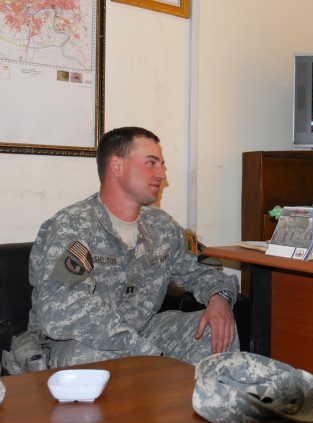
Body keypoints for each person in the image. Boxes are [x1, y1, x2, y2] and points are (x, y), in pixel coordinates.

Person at [7, 126, 239, 372]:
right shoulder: (73, 226)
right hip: (75, 343)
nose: (162, 175)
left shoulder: (162, 226)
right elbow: (62, 311)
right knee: (87, 358)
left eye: (162, 165)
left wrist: (220, 301)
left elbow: (205, 269)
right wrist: (143, 352)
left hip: (143, 333)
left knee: (217, 328)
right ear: (117, 167)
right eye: (151, 163)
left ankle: (203, 405)